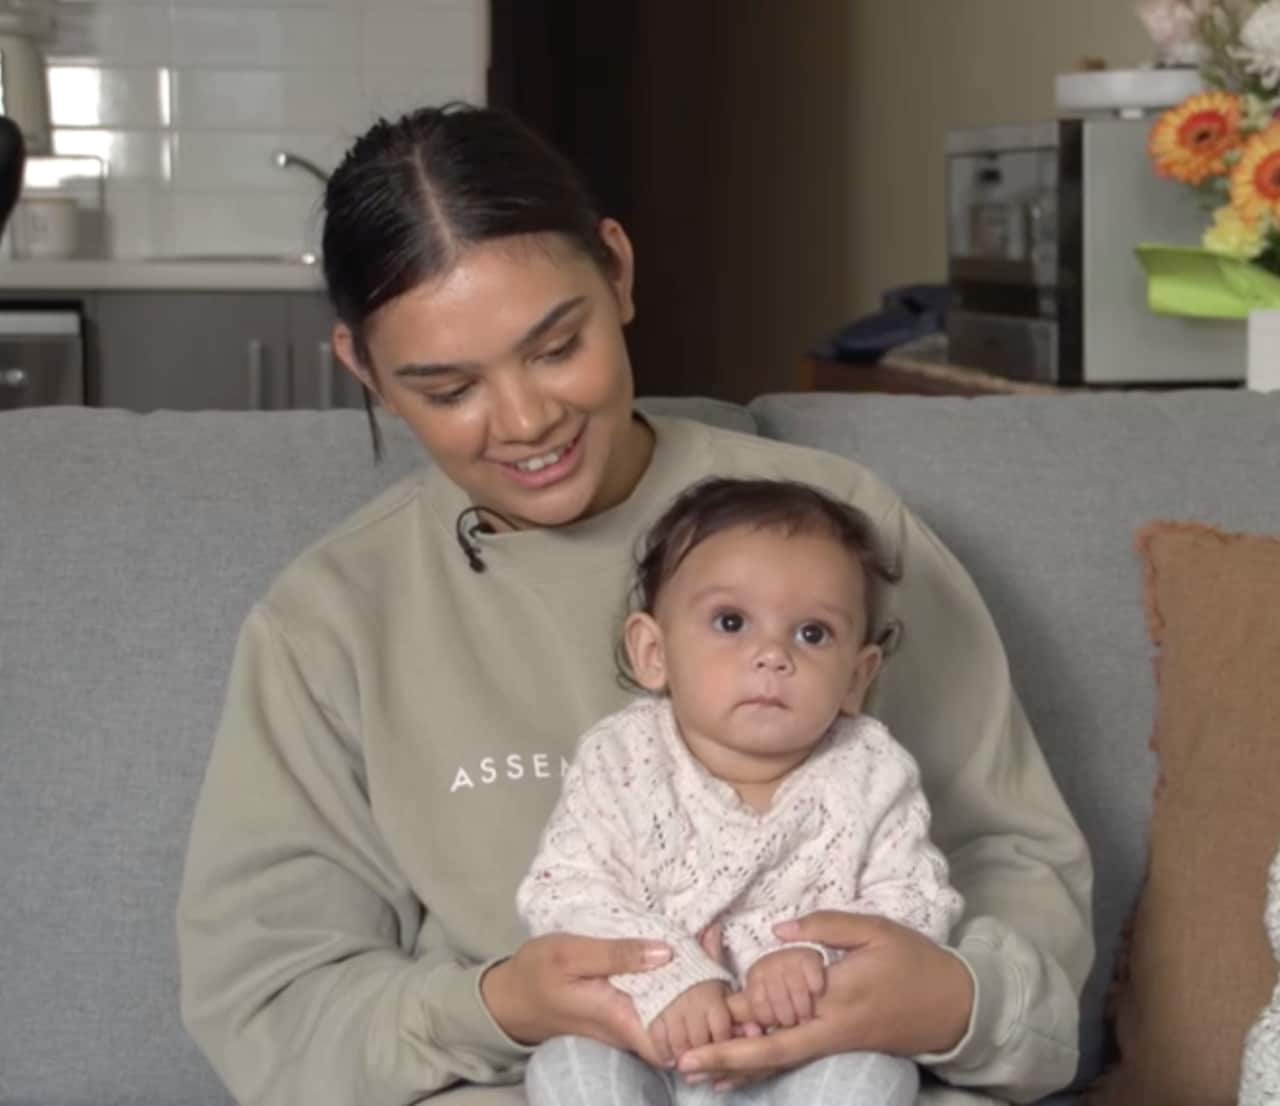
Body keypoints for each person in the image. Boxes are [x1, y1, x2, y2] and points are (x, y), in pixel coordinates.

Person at [176, 103, 1094, 1106]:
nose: (526, 421)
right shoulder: (331, 618)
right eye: (447, 389)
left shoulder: (838, 532)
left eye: (556, 345)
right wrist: (502, 1005)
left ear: (616, 271)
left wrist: (950, 998)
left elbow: (1011, 860)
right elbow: (272, 1006)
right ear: (364, 369)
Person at [518, 476, 965, 1106]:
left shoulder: (871, 771)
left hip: (800, 1052)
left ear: (855, 678)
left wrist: (813, 960)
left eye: (812, 634)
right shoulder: (620, 759)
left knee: (875, 1077)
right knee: (568, 1066)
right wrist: (675, 974)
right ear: (654, 652)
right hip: (645, 1038)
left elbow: (917, 904)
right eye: (731, 622)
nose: (772, 655)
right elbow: (565, 893)